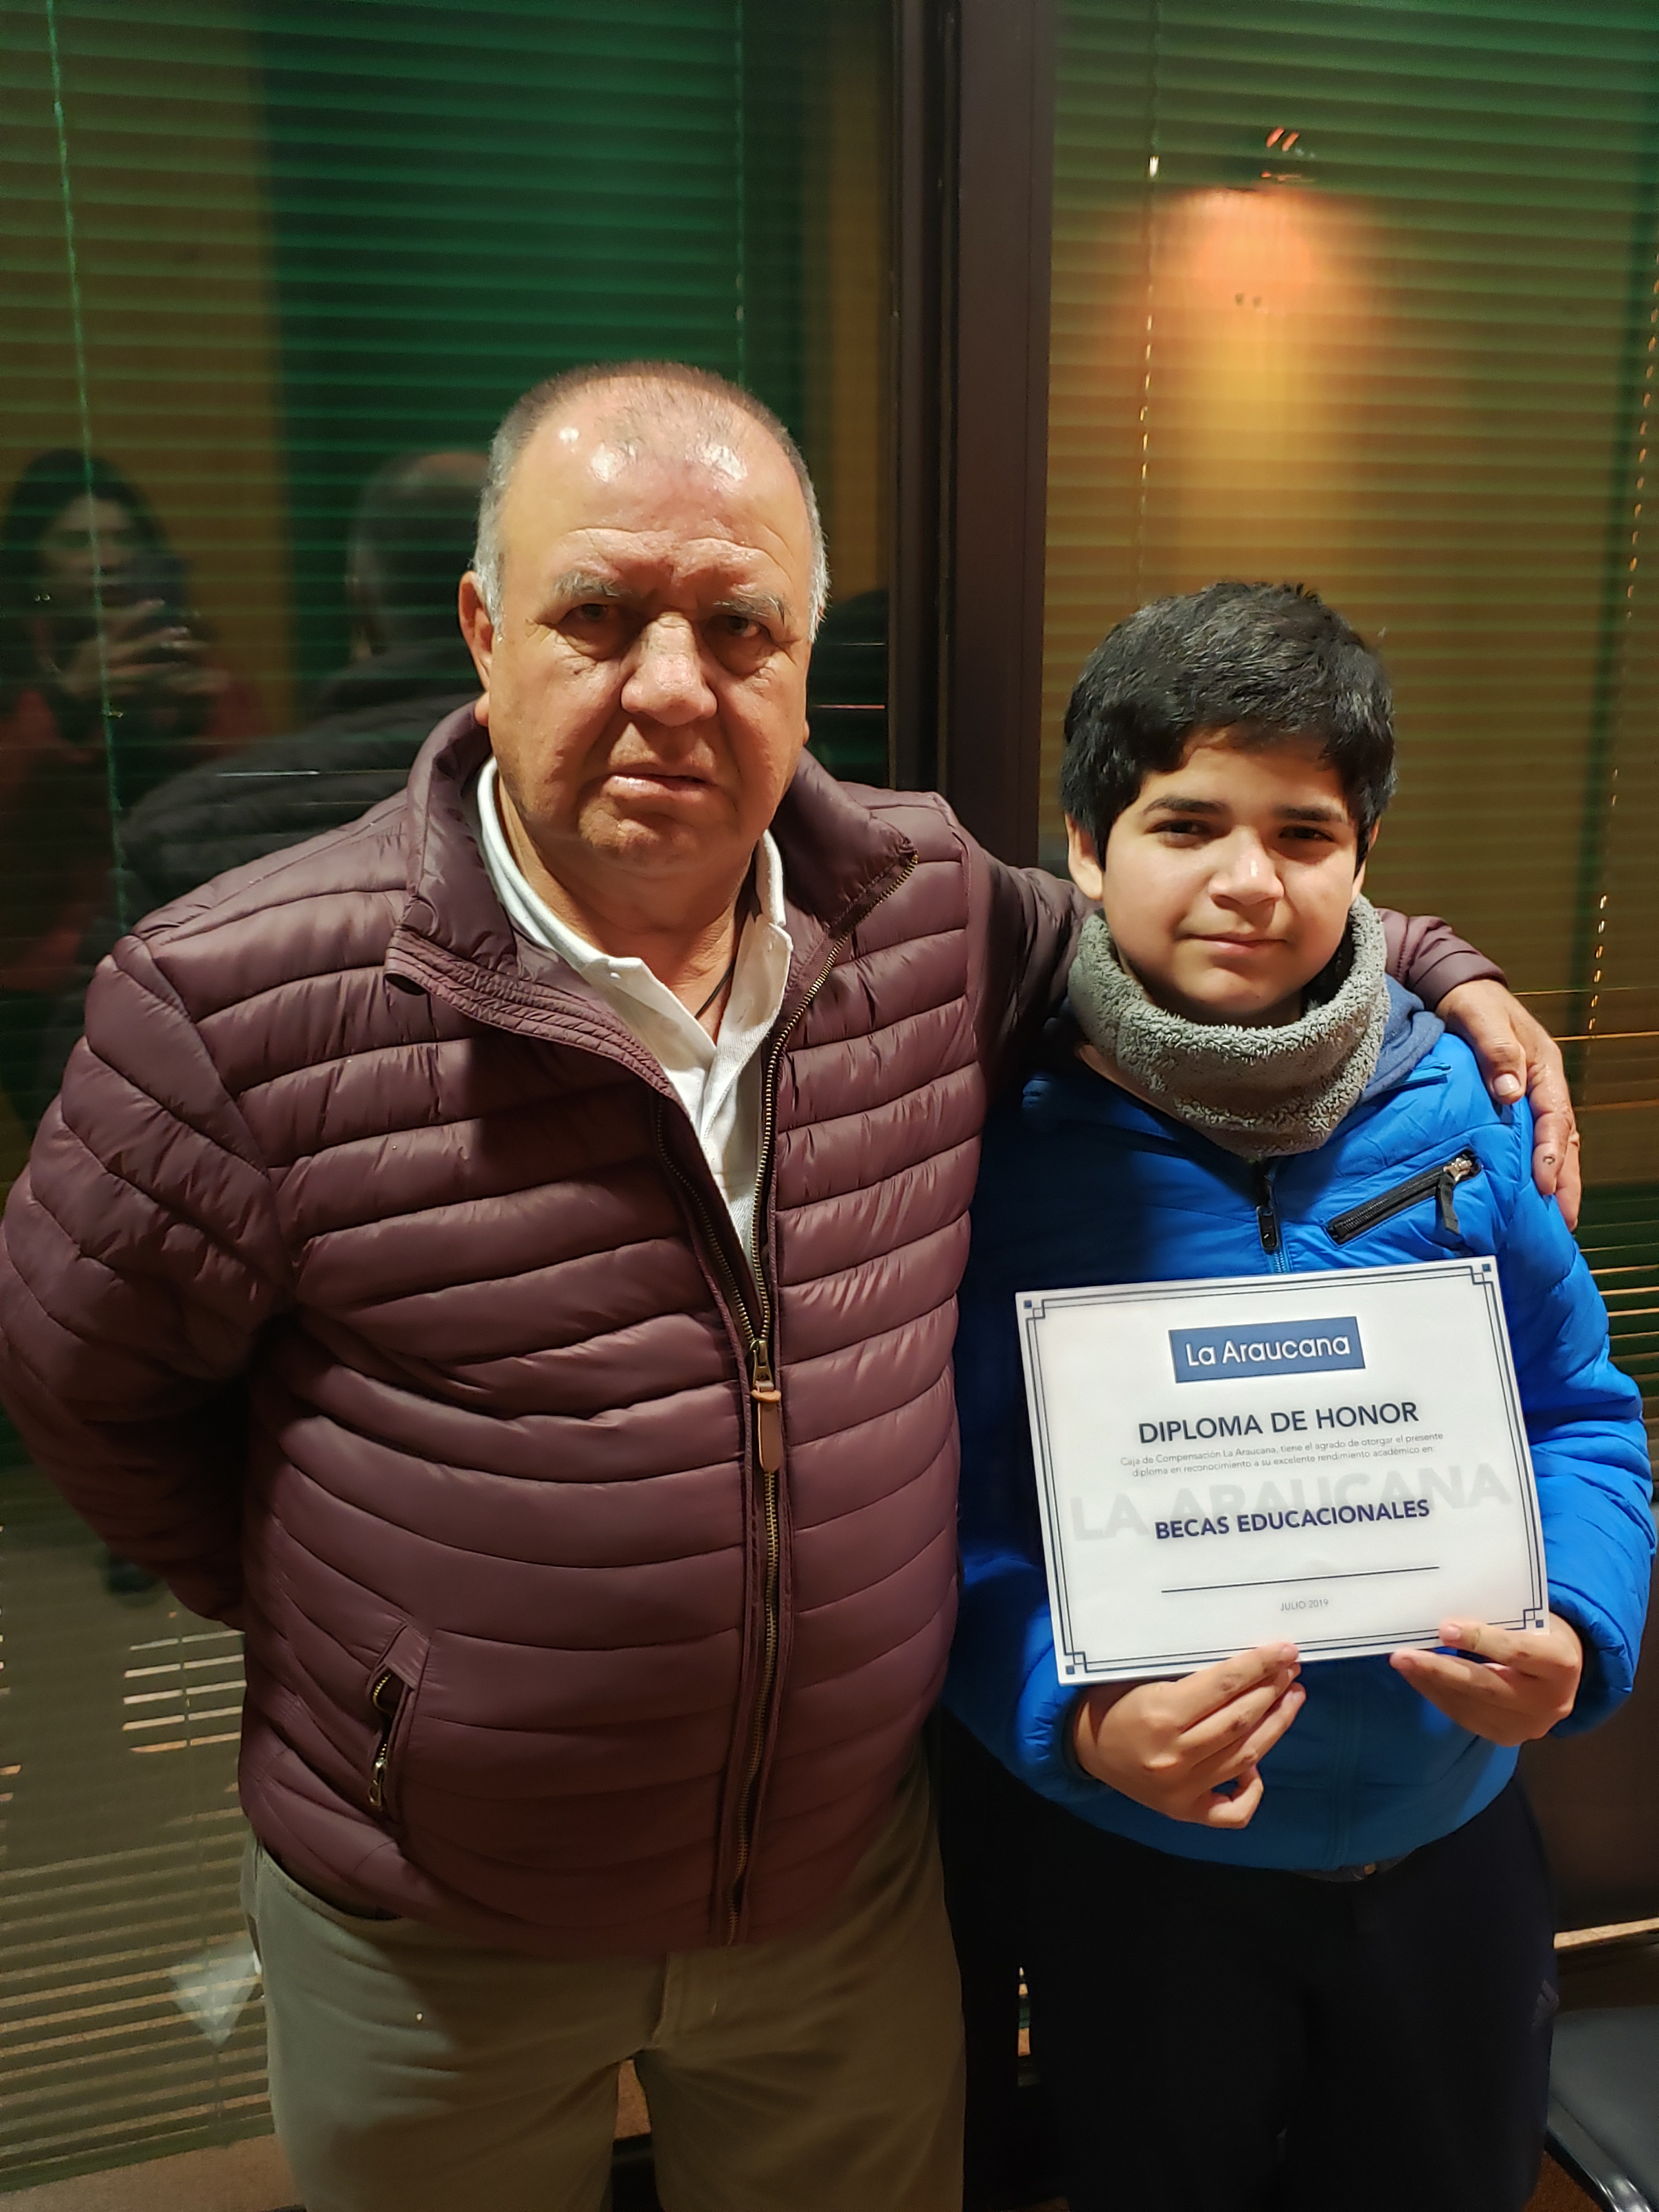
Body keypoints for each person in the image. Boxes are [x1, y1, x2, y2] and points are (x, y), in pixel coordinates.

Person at [0, 366, 1579, 2212]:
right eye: (601, 615)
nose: (674, 685)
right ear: (484, 634)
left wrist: (1443, 969)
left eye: (739, 626)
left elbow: (1203, 921)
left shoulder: (926, 912)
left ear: (804, 664)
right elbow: (88, 1394)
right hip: (442, 1915)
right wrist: (369, 1641)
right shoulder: (232, 996)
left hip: (839, 1900)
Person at [945, 583, 1653, 2212]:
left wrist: (1576, 1620)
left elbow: (1582, 1414)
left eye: (1306, 833)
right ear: (1086, 844)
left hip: (1451, 1846)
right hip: (1145, 1874)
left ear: (1365, 858)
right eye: (1189, 822)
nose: (1250, 880)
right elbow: (945, 1513)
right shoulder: (998, 1145)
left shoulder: (1459, 1107)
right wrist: (1073, 1712)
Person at [0, 449, 262, 1128]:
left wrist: (197, 711)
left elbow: (251, 809)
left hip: (182, 962)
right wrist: (65, 703)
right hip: (44, 982)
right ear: (33, 567)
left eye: (122, 539)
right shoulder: (16, 674)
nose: (107, 560)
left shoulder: (180, 653)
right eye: (77, 542)